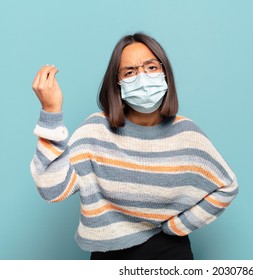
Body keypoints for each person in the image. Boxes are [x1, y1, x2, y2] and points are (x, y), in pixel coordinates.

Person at [30, 33, 238, 260]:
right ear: (117, 83)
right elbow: (52, 189)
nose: (142, 78)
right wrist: (50, 113)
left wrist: (177, 227)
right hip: (108, 259)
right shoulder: (95, 130)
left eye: (150, 67)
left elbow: (227, 186)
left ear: (165, 73)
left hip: (171, 256)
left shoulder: (188, 135)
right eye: (130, 72)